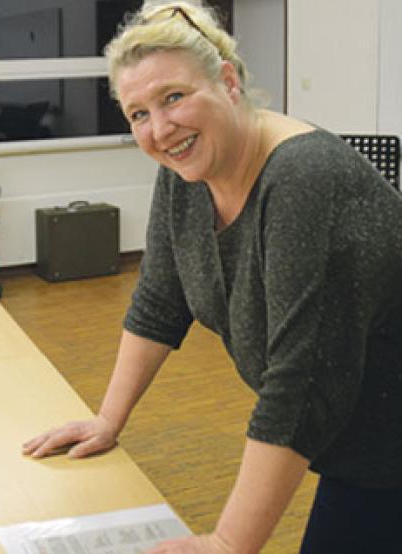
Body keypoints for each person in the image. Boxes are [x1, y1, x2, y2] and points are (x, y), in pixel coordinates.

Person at [22, 2, 402, 553]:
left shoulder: (305, 179)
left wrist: (227, 542)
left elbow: (304, 382)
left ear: (227, 81)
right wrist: (107, 419)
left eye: (174, 97)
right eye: (138, 114)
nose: (160, 129)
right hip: (353, 442)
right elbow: (160, 300)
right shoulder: (187, 172)